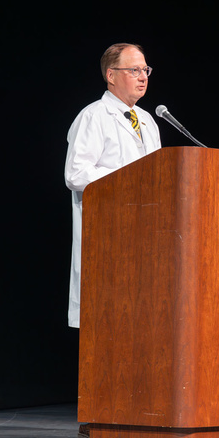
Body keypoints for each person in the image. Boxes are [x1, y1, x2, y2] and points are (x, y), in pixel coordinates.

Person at [64, 43, 162, 330]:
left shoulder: (148, 121)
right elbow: (75, 174)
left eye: (146, 70)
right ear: (111, 75)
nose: (143, 76)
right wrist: (127, 176)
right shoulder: (93, 116)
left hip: (147, 237)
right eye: (134, 70)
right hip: (107, 238)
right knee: (109, 325)